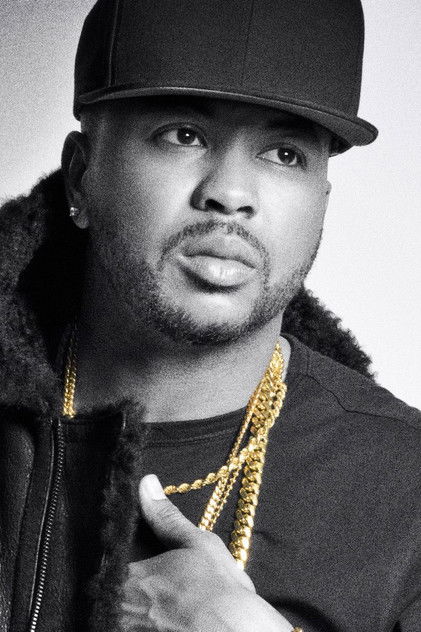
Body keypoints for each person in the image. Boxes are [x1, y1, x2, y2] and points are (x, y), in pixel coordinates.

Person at [1, 0, 420, 631]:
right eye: (184, 135)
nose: (230, 194)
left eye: (285, 154)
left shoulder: (405, 490)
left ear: (322, 200)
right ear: (82, 177)